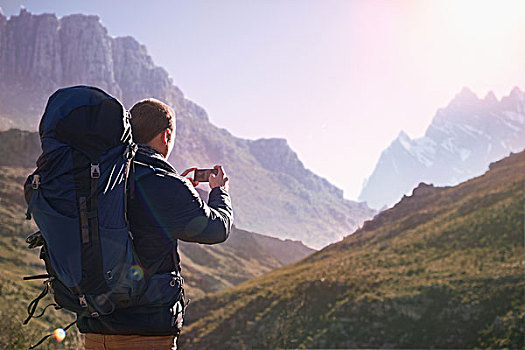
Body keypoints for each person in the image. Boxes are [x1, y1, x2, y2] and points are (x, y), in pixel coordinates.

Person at [80, 98, 233, 350]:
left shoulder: (101, 176)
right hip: (148, 334)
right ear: (166, 135)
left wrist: (178, 187)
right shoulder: (166, 184)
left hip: (96, 332)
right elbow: (217, 229)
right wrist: (219, 192)